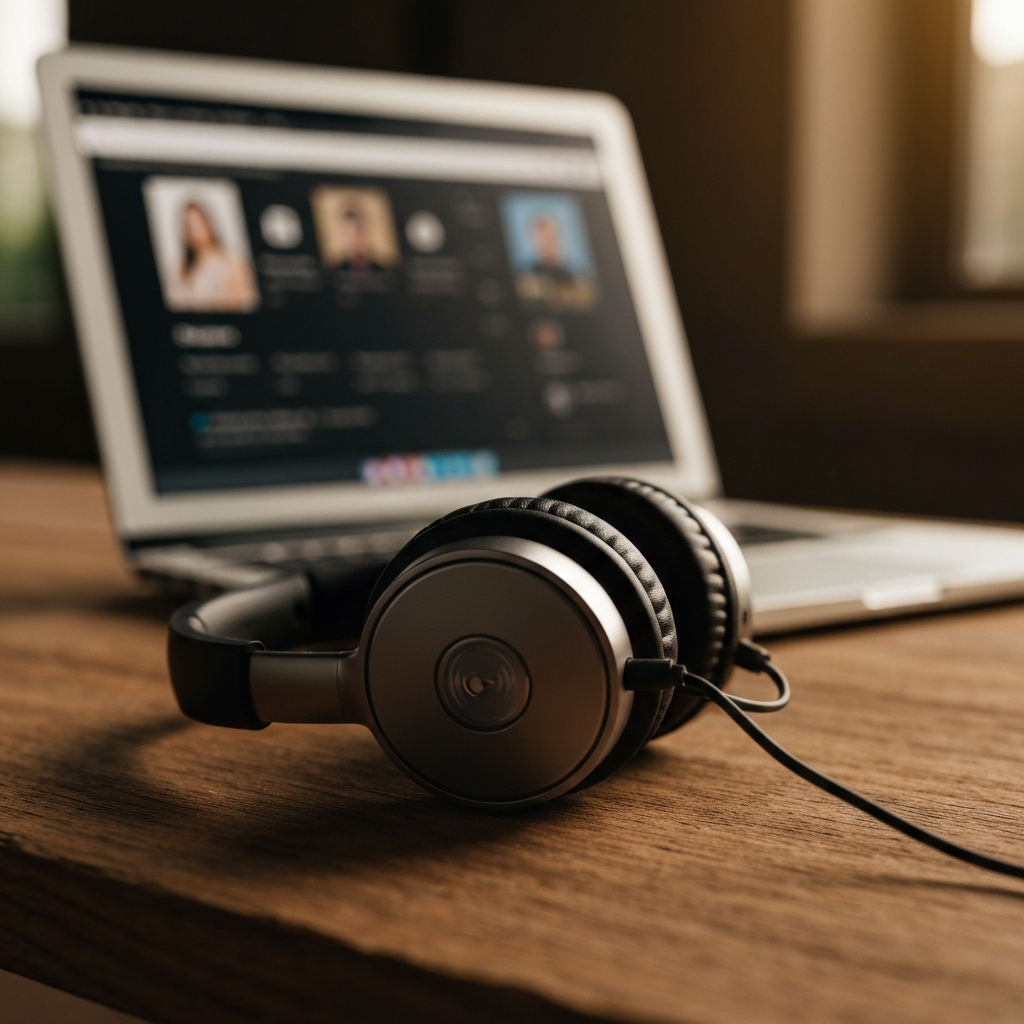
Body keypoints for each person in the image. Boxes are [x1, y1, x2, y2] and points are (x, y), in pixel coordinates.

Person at [169, 201, 257, 312]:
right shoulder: (179, 269)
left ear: (208, 224)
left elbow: (242, 304)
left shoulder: (233, 263)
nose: (194, 232)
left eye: (198, 224)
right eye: (189, 226)